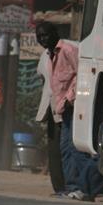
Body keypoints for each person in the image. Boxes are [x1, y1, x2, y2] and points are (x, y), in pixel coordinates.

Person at [35, 21, 103, 201]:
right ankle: (74, 187)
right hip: (62, 109)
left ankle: (91, 183)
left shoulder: (68, 50)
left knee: (77, 149)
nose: (43, 39)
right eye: (39, 36)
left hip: (76, 105)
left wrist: (70, 97)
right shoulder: (48, 56)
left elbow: (84, 73)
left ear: (55, 33)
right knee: (66, 149)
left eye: (46, 34)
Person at [36, 50, 65, 194]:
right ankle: (58, 187)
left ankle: (69, 185)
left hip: (66, 108)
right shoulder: (44, 55)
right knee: (54, 149)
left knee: (65, 149)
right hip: (51, 108)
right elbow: (41, 76)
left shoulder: (68, 53)